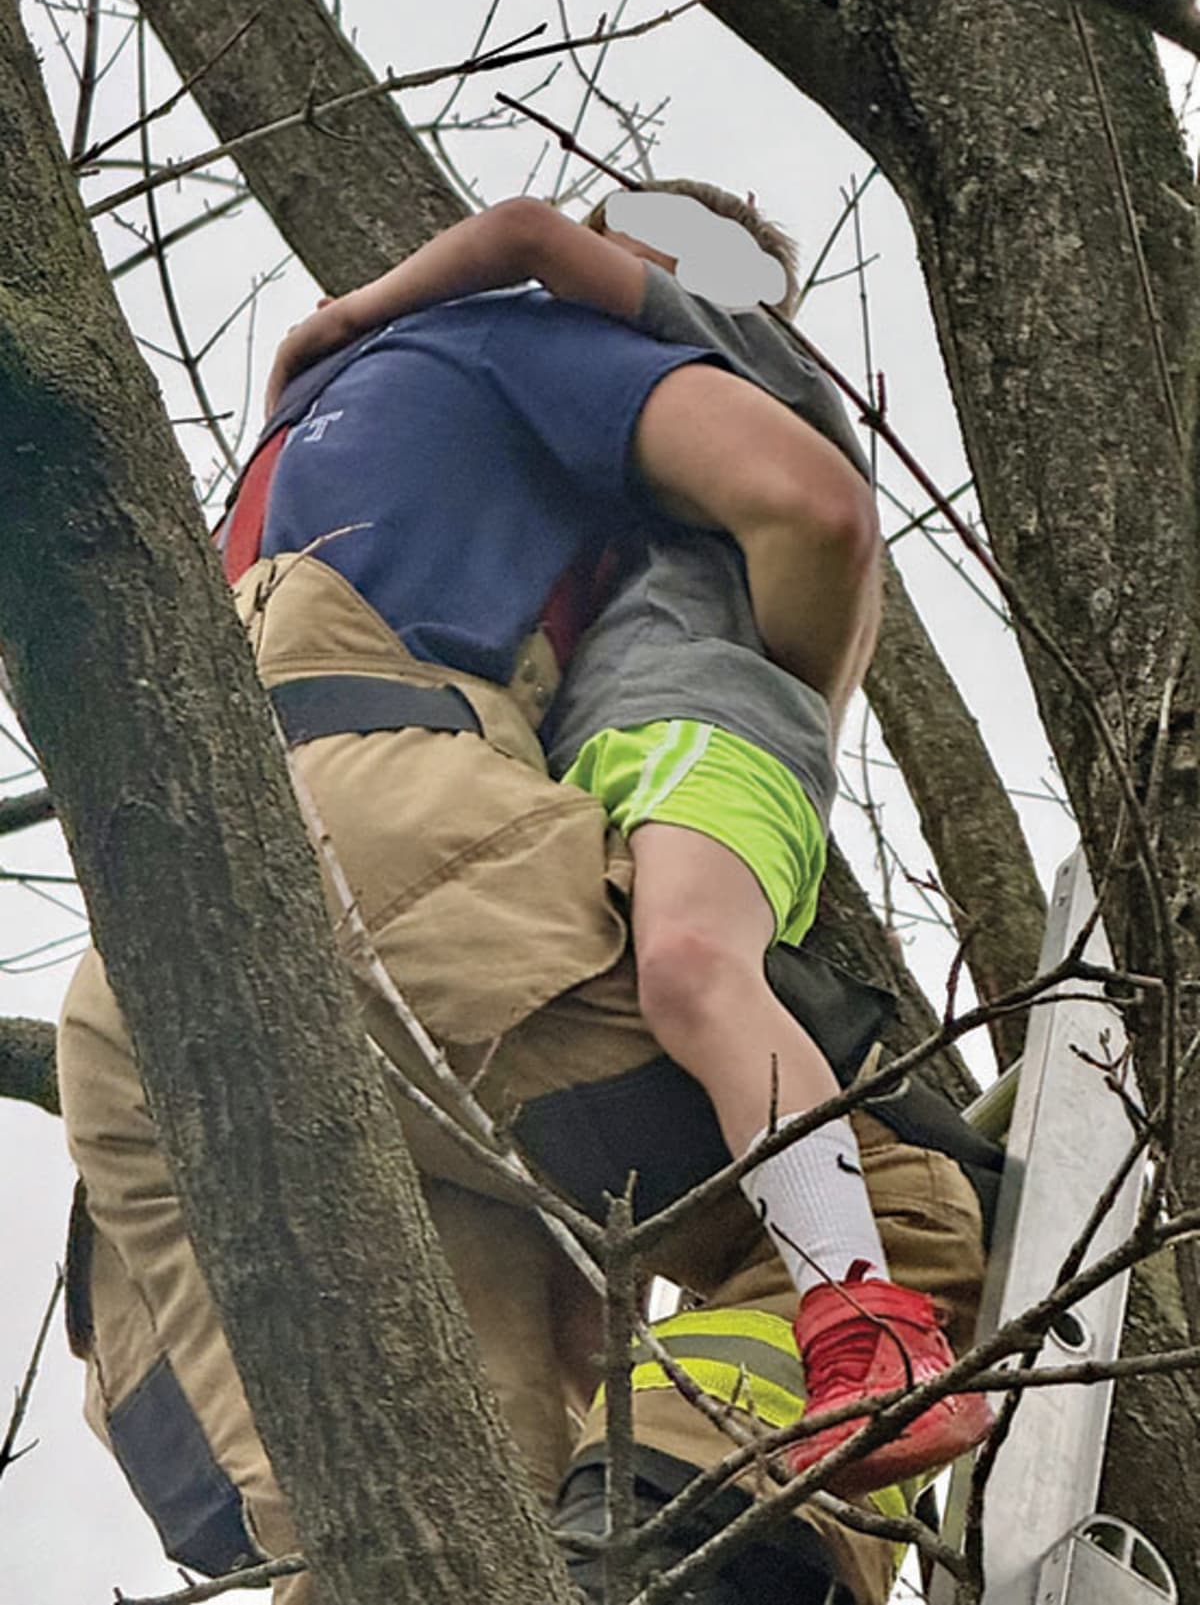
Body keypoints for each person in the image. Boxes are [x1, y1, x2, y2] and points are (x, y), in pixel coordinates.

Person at [57, 181, 1000, 1605]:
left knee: (459, 1518)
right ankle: (665, 1560)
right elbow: (811, 506)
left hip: (147, 991)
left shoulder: (282, 459)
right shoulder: (532, 339)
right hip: (398, 869)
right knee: (915, 1202)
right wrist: (779, 717)